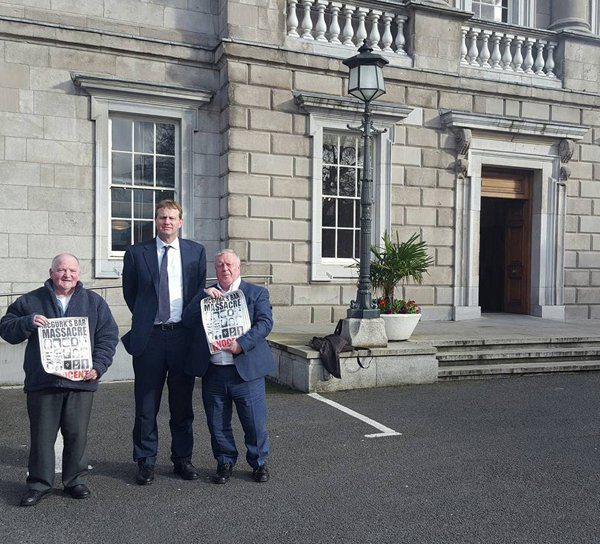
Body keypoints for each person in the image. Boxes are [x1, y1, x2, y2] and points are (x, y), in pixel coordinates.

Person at [0, 253, 118, 507]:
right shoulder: (31, 300)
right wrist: (27, 322)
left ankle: (74, 480)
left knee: (76, 434)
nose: (67, 275)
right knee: (42, 436)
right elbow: (6, 329)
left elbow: (108, 337)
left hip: (81, 381)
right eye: (61, 270)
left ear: (79, 274)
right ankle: (39, 484)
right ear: (51, 272)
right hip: (44, 382)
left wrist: (98, 367)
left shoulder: (94, 303)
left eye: (72, 271)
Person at [122, 199, 206, 485]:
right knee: (146, 404)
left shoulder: (196, 252)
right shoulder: (136, 253)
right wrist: (148, 318)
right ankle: (146, 461)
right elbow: (130, 293)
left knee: (182, 404)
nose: (166, 222)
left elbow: (196, 293)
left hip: (183, 335)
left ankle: (182, 459)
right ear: (155, 221)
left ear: (180, 221)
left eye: (171, 218)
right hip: (151, 337)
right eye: (161, 217)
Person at [183, 249, 275, 484]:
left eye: (229, 264)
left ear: (238, 267)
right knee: (217, 423)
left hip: (246, 372)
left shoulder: (256, 293)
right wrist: (200, 297)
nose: (225, 269)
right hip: (213, 371)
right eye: (220, 265)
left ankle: (259, 463)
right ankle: (224, 462)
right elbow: (187, 320)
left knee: (254, 422)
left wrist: (241, 344)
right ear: (215, 270)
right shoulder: (206, 295)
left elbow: (265, 323)